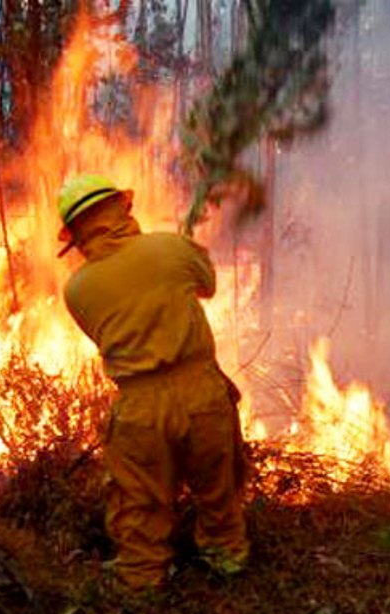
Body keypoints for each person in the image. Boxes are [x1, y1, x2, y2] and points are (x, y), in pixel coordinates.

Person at [57, 174, 248, 590]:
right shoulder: (170, 247)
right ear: (122, 208)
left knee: (138, 503)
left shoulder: (77, 290)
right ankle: (226, 561)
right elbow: (208, 285)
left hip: (139, 408)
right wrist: (175, 256)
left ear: (75, 236)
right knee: (218, 490)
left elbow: (106, 332)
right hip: (202, 395)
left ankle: (142, 583)